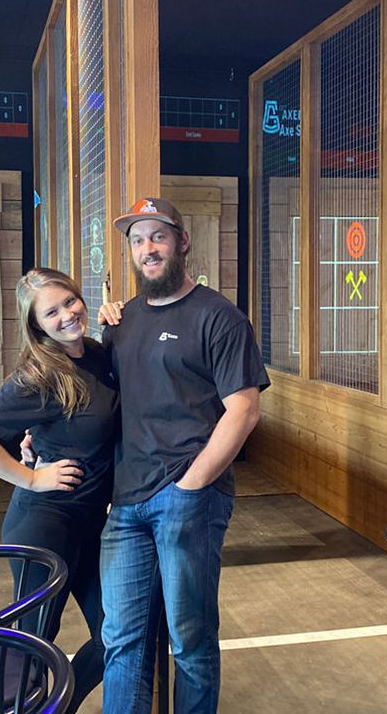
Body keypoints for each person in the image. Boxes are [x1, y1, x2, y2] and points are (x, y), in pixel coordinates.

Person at [97, 197, 270, 714]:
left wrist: (192, 484)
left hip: (188, 499)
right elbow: (99, 400)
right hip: (127, 502)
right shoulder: (120, 322)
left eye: (158, 236)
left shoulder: (219, 317)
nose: (147, 248)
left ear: (181, 242)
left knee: (189, 639)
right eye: (137, 240)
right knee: (122, 639)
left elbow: (244, 411)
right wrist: (41, 437)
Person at [0, 267, 117, 714]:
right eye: (52, 311)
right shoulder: (40, 376)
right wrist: (30, 477)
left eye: (70, 302)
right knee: (31, 647)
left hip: (89, 522)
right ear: (37, 324)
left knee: (117, 632)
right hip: (43, 524)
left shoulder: (100, 357)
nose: (67, 315)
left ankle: (56, 709)